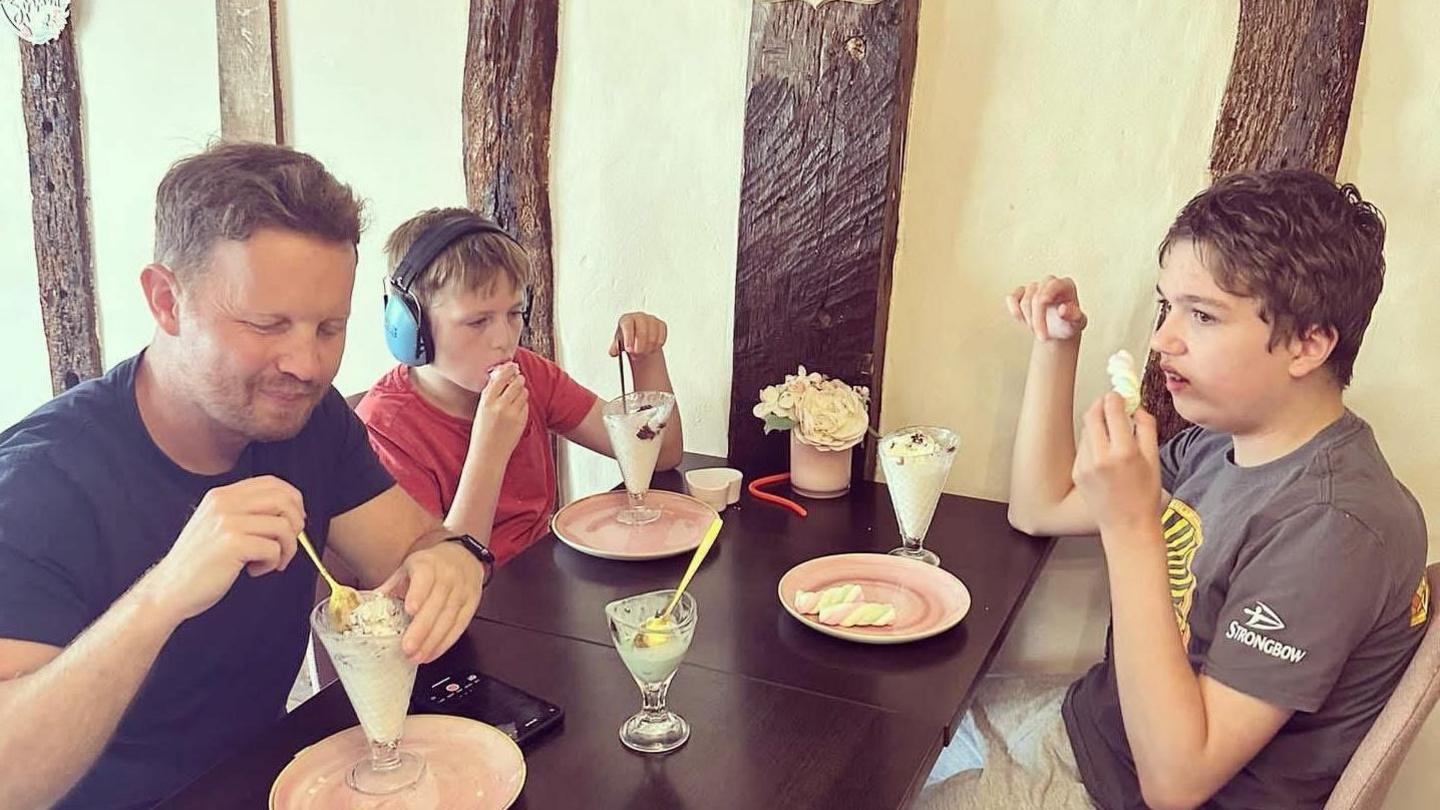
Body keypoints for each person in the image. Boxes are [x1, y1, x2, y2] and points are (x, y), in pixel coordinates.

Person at [0, 144, 489, 809]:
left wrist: (453, 561)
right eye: (268, 324)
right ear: (167, 301)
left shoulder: (306, 422)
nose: (308, 365)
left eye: (330, 328)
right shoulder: (40, 486)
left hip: (272, 782)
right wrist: (164, 595)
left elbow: (415, 550)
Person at [924, 169, 1429, 810]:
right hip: (1098, 732)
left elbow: (1176, 784)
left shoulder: (1334, 525)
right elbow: (1038, 507)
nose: (1163, 340)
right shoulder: (1225, 439)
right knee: (891, 732)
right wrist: (1057, 347)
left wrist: (1132, 528)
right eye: (1169, 306)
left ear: (1310, 343)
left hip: (1131, 789)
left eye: (1203, 315)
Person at [355, 207, 683, 565]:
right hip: (467, 604)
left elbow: (661, 455)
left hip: (540, 582)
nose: (504, 340)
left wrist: (645, 356)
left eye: (514, 314)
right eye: (477, 321)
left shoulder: (529, 373)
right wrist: (490, 449)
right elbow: (440, 583)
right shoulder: (386, 430)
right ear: (410, 328)